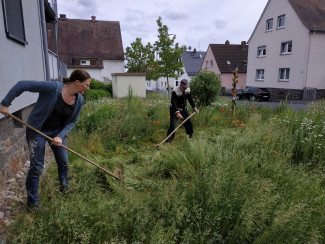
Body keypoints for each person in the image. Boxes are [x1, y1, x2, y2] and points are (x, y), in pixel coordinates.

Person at [0, 69, 91, 209]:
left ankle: (65, 192)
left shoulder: (80, 100)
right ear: (77, 82)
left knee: (64, 163)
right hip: (37, 130)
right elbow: (22, 85)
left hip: (57, 133)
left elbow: (73, 121)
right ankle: (33, 204)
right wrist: (5, 103)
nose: (88, 88)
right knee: (37, 167)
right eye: (86, 84)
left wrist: (60, 136)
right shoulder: (52, 88)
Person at [166, 79, 199, 143]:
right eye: (184, 87)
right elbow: (173, 102)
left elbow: (190, 99)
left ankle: (190, 136)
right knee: (173, 125)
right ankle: (169, 140)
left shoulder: (187, 90)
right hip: (174, 110)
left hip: (184, 110)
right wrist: (177, 112)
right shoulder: (175, 91)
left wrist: (194, 107)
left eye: (186, 87)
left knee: (189, 123)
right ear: (180, 85)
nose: (185, 88)